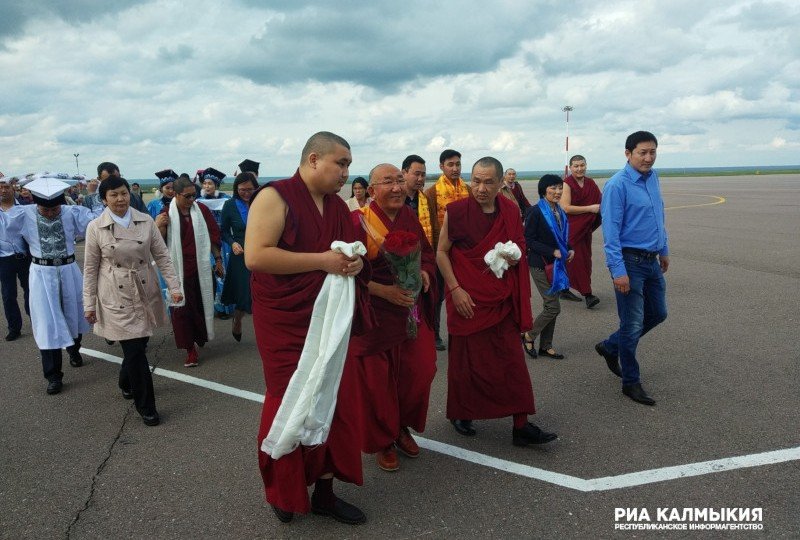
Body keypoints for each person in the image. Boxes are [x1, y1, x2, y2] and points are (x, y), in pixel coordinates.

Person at [245, 131, 370, 525]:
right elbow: (256, 256)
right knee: (290, 400)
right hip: (286, 321)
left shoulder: (336, 206)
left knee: (333, 398)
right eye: (342, 164)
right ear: (314, 159)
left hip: (329, 319)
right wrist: (322, 261)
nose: (347, 174)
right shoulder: (274, 197)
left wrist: (355, 264)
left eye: (349, 166)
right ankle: (284, 491)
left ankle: (326, 492)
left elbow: (351, 250)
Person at [436, 157, 557, 446]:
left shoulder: (510, 210)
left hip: (500, 299)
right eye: (475, 180)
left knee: (512, 362)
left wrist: (513, 255)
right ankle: (462, 413)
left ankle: (521, 424)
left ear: (500, 182)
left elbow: (520, 245)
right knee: (467, 363)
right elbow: (442, 253)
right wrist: (455, 290)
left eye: (488, 182)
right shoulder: (456, 211)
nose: (480, 188)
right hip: (469, 300)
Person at [349, 163, 437, 472]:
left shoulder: (408, 216)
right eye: (388, 182)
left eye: (400, 180)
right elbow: (348, 273)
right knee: (377, 384)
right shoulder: (357, 222)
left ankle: (401, 426)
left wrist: (425, 271)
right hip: (374, 315)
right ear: (372, 191)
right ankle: (384, 440)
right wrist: (383, 292)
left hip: (409, 311)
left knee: (421, 370)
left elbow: (426, 252)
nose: (398, 187)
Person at [82, 176, 183, 426]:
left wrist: (174, 286)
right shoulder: (96, 227)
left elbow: (162, 255)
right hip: (116, 294)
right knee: (136, 351)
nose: (120, 199)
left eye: (123, 193)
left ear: (130, 194)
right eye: (113, 195)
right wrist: (89, 304)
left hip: (144, 289)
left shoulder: (145, 220)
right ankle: (146, 406)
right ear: (104, 199)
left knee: (140, 342)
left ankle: (125, 380)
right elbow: (91, 268)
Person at [0, 177, 103, 394]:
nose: (50, 213)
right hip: (41, 273)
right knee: (47, 322)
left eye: (54, 209)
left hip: (68, 269)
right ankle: (53, 375)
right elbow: (6, 230)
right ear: (36, 204)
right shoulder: (24, 213)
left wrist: (93, 193)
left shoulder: (70, 212)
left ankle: (74, 349)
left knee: (73, 313)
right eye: (45, 210)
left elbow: (96, 221)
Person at [596, 131, 669, 406]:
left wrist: (664, 249)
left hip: (651, 260)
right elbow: (611, 233)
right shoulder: (617, 185)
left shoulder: (654, 178)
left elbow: (658, 214)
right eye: (642, 152)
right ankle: (631, 382)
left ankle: (610, 346)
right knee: (632, 323)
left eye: (652, 152)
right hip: (630, 263)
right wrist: (618, 271)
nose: (648, 158)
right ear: (628, 154)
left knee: (659, 313)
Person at [155, 176, 223, 368]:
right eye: (188, 196)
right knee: (182, 311)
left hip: (200, 269)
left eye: (194, 195)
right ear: (175, 194)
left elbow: (212, 236)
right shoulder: (167, 213)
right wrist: (159, 225)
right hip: (178, 271)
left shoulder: (201, 210)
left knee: (201, 306)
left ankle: (200, 336)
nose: (192, 200)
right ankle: (189, 349)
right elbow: (158, 244)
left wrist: (218, 259)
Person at [522, 175, 574, 360]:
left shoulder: (559, 210)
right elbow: (528, 240)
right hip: (540, 264)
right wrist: (552, 251)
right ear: (544, 190)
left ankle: (546, 345)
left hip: (556, 265)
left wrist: (569, 248)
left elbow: (562, 236)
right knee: (553, 306)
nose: (558, 192)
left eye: (560, 188)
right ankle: (528, 335)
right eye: (553, 188)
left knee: (552, 304)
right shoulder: (535, 211)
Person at [423, 149, 469, 351]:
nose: (455, 168)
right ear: (441, 166)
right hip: (441, 252)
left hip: (464, 251)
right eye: (450, 164)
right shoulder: (432, 192)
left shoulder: (468, 189)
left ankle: (462, 329)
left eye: (458, 164)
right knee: (438, 295)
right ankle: (434, 334)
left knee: (464, 291)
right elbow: (430, 225)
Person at [220, 172, 258, 341]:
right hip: (240, 254)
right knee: (244, 293)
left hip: (262, 251)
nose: (246, 193)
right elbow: (224, 231)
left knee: (263, 291)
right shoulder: (230, 205)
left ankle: (266, 329)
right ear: (236, 189)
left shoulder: (261, 202)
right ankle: (237, 319)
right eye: (242, 189)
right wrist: (232, 243)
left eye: (250, 189)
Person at [560, 155, 601, 308]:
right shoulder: (567, 184)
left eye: (582, 165)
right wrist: (590, 208)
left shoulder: (590, 183)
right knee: (576, 261)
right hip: (571, 228)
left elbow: (601, 201)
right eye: (576, 166)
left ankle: (563, 288)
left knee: (585, 260)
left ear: (586, 165)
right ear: (570, 168)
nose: (579, 168)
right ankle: (588, 294)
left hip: (585, 229)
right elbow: (565, 207)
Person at [197, 167, 234, 320]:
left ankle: (226, 305)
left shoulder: (225, 200)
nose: (207, 186)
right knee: (210, 273)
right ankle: (215, 306)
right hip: (206, 243)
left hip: (223, 242)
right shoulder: (197, 201)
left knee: (225, 272)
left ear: (217, 185)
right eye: (205, 183)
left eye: (210, 184)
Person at [0, 176, 31, 341]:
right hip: (4, 259)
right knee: (8, 294)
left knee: (30, 290)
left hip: (23, 256)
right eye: (1, 187)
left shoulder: (24, 208)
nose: (3, 190)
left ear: (13, 189)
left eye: (6, 187)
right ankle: (14, 327)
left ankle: (34, 318)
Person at [402, 154, 437, 249]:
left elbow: (434, 229)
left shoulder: (427, 199)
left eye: (423, 175)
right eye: (417, 174)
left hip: (424, 249)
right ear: (404, 173)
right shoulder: (396, 199)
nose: (420, 179)